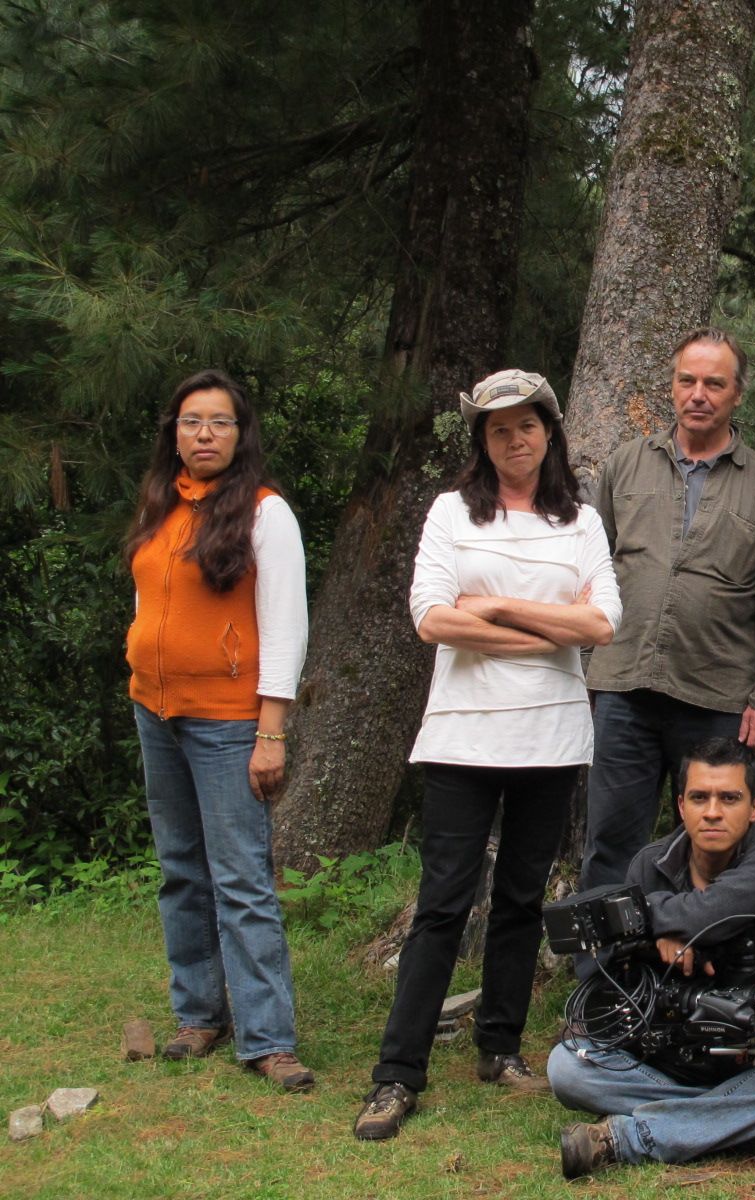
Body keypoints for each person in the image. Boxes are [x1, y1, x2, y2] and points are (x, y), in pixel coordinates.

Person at [353, 369, 621, 1141]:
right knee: (443, 902)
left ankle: (499, 1048)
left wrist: (496, 607)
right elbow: (432, 619)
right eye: (498, 428)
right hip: (462, 735)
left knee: (522, 899)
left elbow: (603, 624)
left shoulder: (580, 522)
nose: (514, 438)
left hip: (552, 736)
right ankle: (397, 1074)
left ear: (549, 432)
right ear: (482, 439)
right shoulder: (450, 513)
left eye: (526, 424)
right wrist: (551, 629)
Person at [549, 737, 755, 1177]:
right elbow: (615, 971)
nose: (712, 811)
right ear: (681, 806)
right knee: (568, 1066)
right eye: (699, 797)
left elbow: (715, 911)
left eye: (729, 798)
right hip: (672, 1053)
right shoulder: (650, 864)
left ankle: (629, 1137)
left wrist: (650, 918)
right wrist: (652, 943)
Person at [125, 368, 313, 1091]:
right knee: (181, 869)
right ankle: (200, 1014)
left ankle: (269, 1039)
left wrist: (272, 732)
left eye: (220, 422)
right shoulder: (160, 505)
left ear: (241, 435)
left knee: (241, 880)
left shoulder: (266, 513)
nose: (205, 434)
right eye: (192, 422)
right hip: (156, 712)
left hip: (230, 722)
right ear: (174, 434)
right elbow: (148, 601)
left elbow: (286, 626)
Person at [580, 328, 755, 891]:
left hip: (717, 698)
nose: (698, 394)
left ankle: (704, 945)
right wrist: (584, 667)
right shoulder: (627, 464)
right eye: (687, 380)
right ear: (673, 387)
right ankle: (610, 951)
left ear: (737, 394)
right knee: (610, 843)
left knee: (715, 849)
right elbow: (586, 571)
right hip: (623, 688)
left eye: (714, 383)